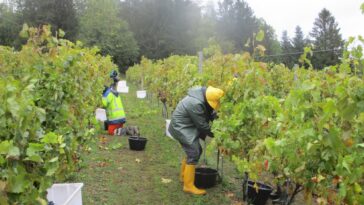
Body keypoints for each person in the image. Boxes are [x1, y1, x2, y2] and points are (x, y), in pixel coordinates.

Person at [168, 86, 224, 195]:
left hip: (184, 125)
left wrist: (216, 119)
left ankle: (184, 176)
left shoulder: (202, 95)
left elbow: (210, 111)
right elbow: (202, 125)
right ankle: (188, 186)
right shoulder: (195, 104)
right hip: (180, 127)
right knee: (194, 152)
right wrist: (217, 135)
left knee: (194, 151)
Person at [102, 70, 126, 135]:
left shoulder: (107, 94)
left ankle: (127, 131)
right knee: (116, 129)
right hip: (121, 118)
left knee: (111, 131)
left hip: (115, 119)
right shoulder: (113, 92)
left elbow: (103, 105)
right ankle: (122, 130)